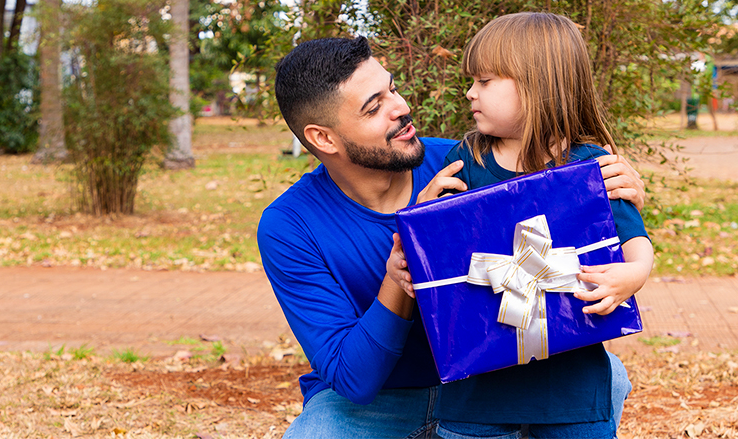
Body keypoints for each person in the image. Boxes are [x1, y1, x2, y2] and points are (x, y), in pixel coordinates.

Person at [258, 36, 646, 438]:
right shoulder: (289, 226)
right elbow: (354, 380)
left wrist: (613, 190)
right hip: (381, 402)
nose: (402, 108)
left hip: (490, 381)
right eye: (374, 108)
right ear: (323, 138)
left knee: (605, 378)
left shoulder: (471, 165)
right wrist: (405, 266)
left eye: (392, 88)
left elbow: (566, 210)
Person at [387, 13, 653, 439]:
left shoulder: (590, 166)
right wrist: (423, 216)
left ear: (536, 85)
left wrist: (633, 274)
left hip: (572, 391)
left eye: (485, 81)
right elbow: (440, 252)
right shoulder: (468, 160)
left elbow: (635, 242)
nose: (470, 92)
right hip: (475, 394)